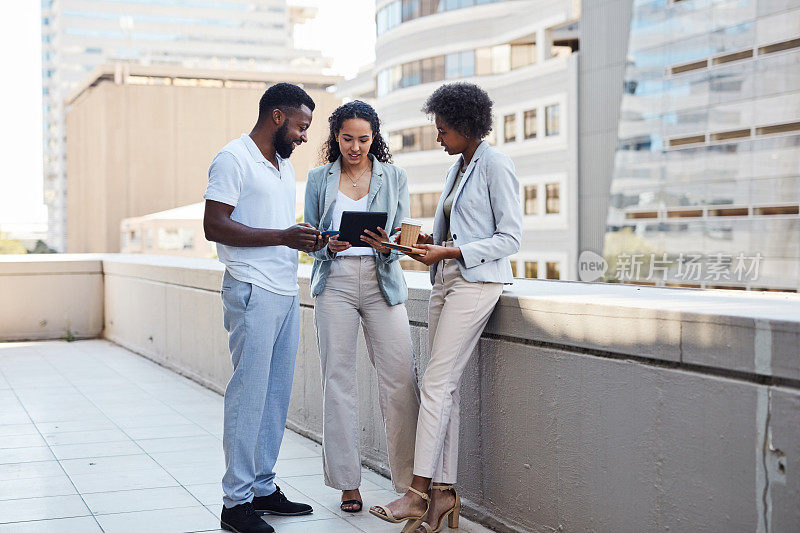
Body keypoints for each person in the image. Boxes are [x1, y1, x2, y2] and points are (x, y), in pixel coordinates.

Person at [370, 82, 523, 533]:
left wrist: (452, 253)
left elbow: (510, 237)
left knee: (435, 385)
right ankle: (444, 495)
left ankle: (416, 494)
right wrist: (420, 248)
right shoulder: (458, 167)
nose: (437, 137)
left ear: (465, 125)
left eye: (442, 130)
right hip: (445, 280)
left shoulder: (497, 165)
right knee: (444, 391)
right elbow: (455, 235)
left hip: (476, 283)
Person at [203, 83, 328, 533]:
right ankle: (235, 505)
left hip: (284, 290)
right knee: (249, 395)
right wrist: (282, 236)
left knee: (275, 398)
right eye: (300, 126)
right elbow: (214, 225)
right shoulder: (233, 158)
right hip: (251, 289)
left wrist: (306, 237)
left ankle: (262, 488)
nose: (304, 136)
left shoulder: (280, 167)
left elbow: (277, 228)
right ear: (277, 117)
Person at [304, 100, 421, 513]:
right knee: (338, 380)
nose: (355, 147)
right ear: (336, 137)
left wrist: (384, 246)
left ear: (375, 139)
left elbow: (403, 238)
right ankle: (347, 484)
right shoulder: (318, 178)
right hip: (334, 282)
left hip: (381, 282)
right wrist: (326, 244)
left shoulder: (395, 176)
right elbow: (310, 238)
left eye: (364, 139)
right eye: (348, 138)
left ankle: (411, 487)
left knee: (400, 379)